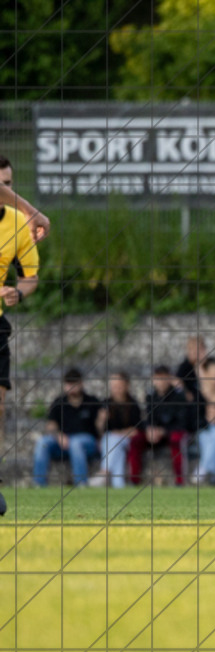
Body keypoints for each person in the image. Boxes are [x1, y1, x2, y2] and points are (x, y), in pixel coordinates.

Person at [0, 156, 42, 508]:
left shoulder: (16, 223)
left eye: (8, 184)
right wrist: (34, 210)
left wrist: (18, 293)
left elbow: (30, 277)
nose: (4, 190)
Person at [32, 368, 102, 487]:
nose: (71, 387)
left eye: (74, 384)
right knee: (42, 442)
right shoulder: (59, 402)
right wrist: (59, 436)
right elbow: (50, 425)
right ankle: (39, 484)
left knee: (76, 443)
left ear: (81, 384)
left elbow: (100, 427)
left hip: (87, 442)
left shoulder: (92, 402)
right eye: (69, 384)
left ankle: (81, 484)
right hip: (63, 442)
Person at [126, 366, 190, 486]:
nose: (160, 382)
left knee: (177, 439)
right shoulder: (151, 397)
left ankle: (180, 481)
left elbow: (182, 422)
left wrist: (163, 431)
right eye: (158, 379)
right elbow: (147, 417)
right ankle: (134, 480)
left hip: (172, 432)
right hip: (156, 434)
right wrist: (149, 429)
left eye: (163, 378)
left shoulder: (179, 396)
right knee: (136, 440)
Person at [90, 371, 143, 488]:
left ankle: (104, 472)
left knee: (113, 439)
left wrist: (119, 433)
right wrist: (101, 420)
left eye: (119, 386)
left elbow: (135, 430)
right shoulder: (106, 403)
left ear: (126, 385)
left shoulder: (133, 405)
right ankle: (118, 485)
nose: (116, 389)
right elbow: (100, 430)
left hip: (126, 440)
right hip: (110, 442)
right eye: (114, 386)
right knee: (117, 450)